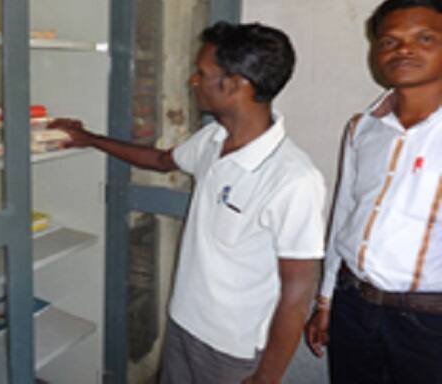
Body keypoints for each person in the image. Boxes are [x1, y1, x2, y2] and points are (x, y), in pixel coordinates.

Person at [51, 22, 326, 384]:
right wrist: (89, 139)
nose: (193, 81)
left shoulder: (294, 179)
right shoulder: (213, 139)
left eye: (202, 73)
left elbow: (297, 293)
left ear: (235, 84)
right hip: (183, 323)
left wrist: (266, 378)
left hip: (232, 351)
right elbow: (160, 160)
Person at [305, 0, 442, 383]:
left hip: (430, 324)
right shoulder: (363, 128)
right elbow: (344, 214)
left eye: (424, 38)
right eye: (389, 41)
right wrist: (326, 301)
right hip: (354, 306)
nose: (403, 50)